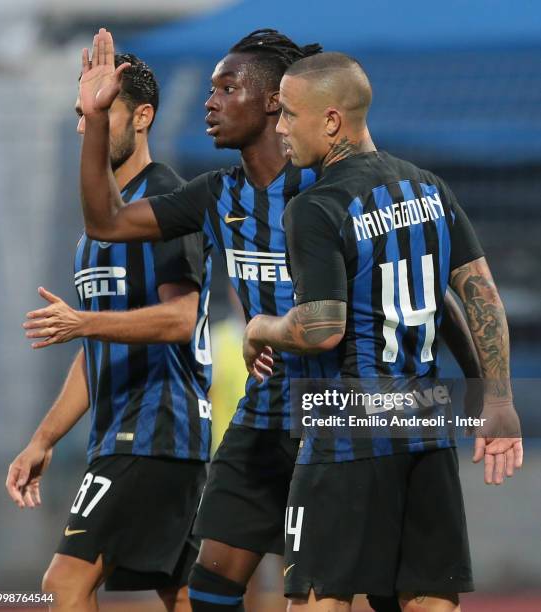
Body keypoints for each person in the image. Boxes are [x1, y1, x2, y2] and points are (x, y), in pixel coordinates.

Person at [76, 29, 481, 612]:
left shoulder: (333, 186)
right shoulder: (217, 195)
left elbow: (425, 292)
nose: (210, 103)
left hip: (344, 415)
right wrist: (94, 119)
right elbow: (106, 222)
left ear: (275, 103)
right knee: (211, 579)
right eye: (210, 89)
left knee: (373, 593)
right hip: (268, 410)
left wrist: (478, 391)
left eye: (226, 87)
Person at [242, 52, 524, 612]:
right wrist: (496, 397)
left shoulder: (316, 206)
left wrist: (261, 328)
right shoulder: (428, 189)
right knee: (427, 601)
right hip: (426, 421)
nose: (278, 129)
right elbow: (477, 296)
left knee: (318, 600)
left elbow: (322, 326)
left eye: (288, 115)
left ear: (329, 121)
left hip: (346, 425)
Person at [6, 53, 213, 612]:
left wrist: (84, 322)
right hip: (135, 435)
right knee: (185, 593)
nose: (86, 125)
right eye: (81, 113)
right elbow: (97, 346)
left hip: (154, 431)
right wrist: (44, 439)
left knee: (63, 581)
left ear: (142, 116)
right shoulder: (94, 230)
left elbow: (181, 317)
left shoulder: (166, 204)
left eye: (101, 111)